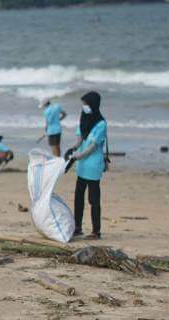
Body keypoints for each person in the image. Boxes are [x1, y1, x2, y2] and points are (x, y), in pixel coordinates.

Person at [65, 91, 108, 239]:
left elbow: (93, 147)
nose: (84, 107)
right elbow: (79, 141)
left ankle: (96, 231)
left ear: (93, 105)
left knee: (93, 199)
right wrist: (72, 149)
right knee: (78, 197)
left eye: (86, 104)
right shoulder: (84, 119)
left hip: (93, 165)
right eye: (83, 104)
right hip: (81, 165)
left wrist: (79, 155)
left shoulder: (101, 124)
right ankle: (77, 227)